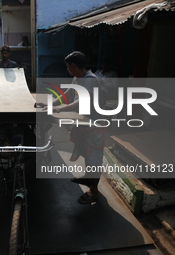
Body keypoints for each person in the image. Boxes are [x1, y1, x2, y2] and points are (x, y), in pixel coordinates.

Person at [37, 51, 106, 204]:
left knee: (94, 159)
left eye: (68, 66)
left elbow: (83, 101)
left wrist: (60, 109)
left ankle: (94, 191)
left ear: (73, 66)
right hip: (84, 123)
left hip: (95, 125)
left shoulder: (91, 80)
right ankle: (89, 179)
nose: (67, 69)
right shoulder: (77, 78)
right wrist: (50, 104)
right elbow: (67, 94)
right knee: (87, 155)